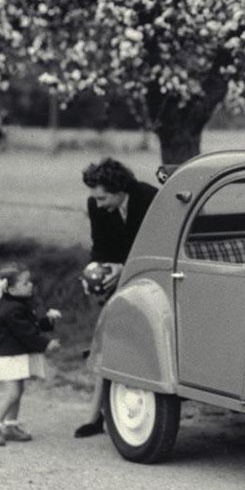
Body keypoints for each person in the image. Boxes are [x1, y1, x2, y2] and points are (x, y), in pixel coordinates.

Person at [74, 158, 158, 438]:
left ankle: (114, 408)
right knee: (106, 339)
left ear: (120, 188)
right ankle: (95, 413)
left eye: (103, 197)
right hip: (119, 278)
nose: (98, 205)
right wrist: (96, 269)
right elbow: (101, 247)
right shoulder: (96, 206)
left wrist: (123, 267)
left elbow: (157, 247)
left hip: (151, 277)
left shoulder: (148, 198)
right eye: (95, 198)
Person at [0, 263, 62, 446]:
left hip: (16, 355)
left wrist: (48, 321)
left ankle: (10, 426)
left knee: (19, 391)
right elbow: (26, 332)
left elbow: (33, 325)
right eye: (25, 283)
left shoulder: (20, 305)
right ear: (11, 288)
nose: (30, 285)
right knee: (13, 393)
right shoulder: (12, 310)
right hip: (8, 357)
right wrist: (46, 344)